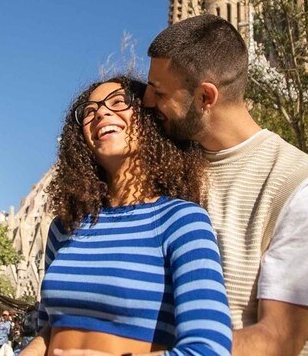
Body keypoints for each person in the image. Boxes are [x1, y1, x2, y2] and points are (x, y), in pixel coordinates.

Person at [142, 15, 308, 356]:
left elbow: (277, 340)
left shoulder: (301, 186)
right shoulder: (165, 164)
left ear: (206, 96)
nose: (147, 102)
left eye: (159, 92)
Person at [22, 76, 232, 356]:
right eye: (89, 111)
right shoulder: (64, 227)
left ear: (150, 120)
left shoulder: (181, 221)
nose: (101, 113)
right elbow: (51, 326)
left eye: (118, 102)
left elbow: (210, 350)